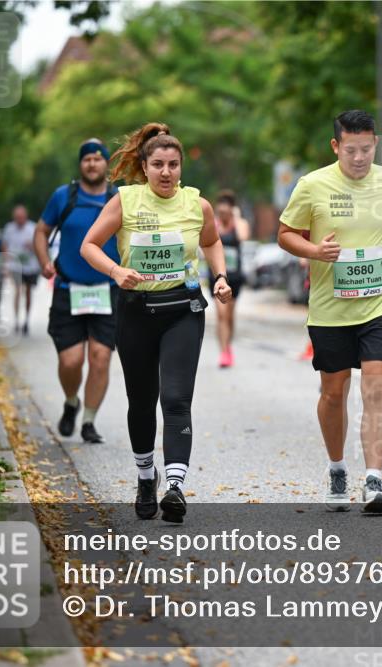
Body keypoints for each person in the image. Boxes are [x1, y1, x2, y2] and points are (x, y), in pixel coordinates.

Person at [81, 122, 232, 523]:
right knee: (142, 401)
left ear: (181, 168)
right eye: (159, 165)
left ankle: (176, 486)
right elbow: (89, 245)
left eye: (174, 165)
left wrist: (219, 277)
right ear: (145, 167)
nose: (167, 173)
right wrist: (116, 271)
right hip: (136, 313)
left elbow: (212, 241)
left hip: (183, 309)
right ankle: (147, 476)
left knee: (177, 399)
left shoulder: (196, 205)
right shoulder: (125, 202)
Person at [277, 110, 382, 514]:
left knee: (376, 387)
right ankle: (337, 467)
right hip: (331, 308)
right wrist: (315, 251)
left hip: (381, 302)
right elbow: (284, 235)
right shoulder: (312, 185)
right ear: (336, 146)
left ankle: (374, 480)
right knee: (334, 394)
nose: (359, 157)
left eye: (366, 149)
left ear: (375, 145)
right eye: (350, 149)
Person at [33, 139, 122, 444]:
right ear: (81, 164)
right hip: (67, 287)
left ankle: (89, 421)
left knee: (100, 357)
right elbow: (41, 231)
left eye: (98, 159)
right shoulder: (64, 196)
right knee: (71, 361)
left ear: (106, 164)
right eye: (87, 160)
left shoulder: (118, 199)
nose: (92, 164)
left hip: (108, 290)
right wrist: (45, 262)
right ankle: (72, 401)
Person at [208, 190, 250, 368]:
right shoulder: (214, 223)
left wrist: (236, 217)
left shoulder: (239, 224)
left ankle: (228, 346)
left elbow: (243, 237)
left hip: (235, 277)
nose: (223, 213)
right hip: (217, 276)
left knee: (230, 316)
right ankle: (224, 351)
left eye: (228, 210)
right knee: (221, 315)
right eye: (221, 209)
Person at [2, 204, 40, 334]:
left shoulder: (32, 228)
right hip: (15, 265)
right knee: (17, 291)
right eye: (17, 217)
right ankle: (16, 320)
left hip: (30, 266)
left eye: (21, 217)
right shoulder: (9, 229)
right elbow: (4, 246)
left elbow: (39, 246)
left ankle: (26, 320)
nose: (20, 220)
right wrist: (6, 263)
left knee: (28, 292)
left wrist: (33, 246)